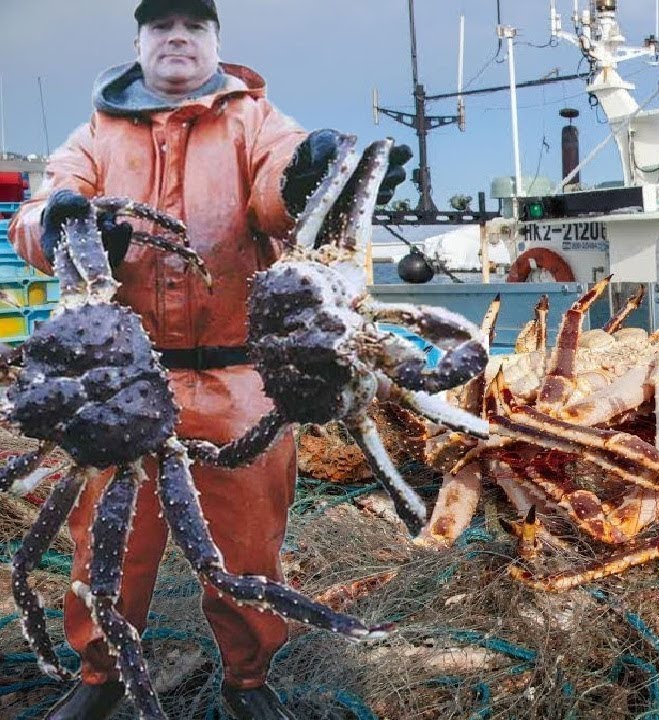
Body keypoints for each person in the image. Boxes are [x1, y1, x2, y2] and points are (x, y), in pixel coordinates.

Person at [9, 1, 408, 718]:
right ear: (139, 44)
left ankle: (247, 681)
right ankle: (98, 676)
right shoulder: (94, 137)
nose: (177, 38)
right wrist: (66, 216)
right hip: (120, 378)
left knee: (250, 544)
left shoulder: (255, 119)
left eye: (193, 27)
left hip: (237, 376)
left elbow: (279, 185)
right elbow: (33, 219)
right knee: (108, 540)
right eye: (162, 27)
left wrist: (313, 169)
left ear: (215, 43)